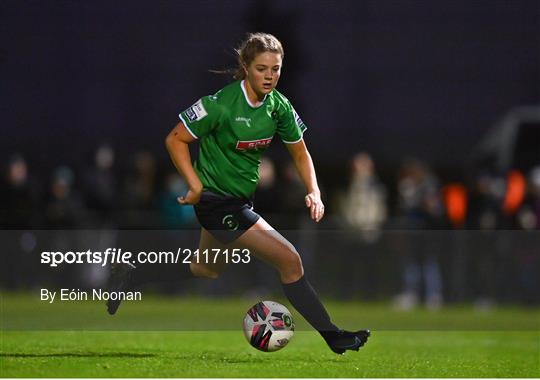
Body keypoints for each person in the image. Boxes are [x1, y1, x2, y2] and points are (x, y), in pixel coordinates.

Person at [106, 32, 369, 354]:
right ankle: (335, 336)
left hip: (239, 201)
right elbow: (175, 139)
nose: (270, 76)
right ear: (245, 66)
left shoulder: (279, 106)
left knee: (207, 268)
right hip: (217, 204)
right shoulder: (220, 104)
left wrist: (313, 191)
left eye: (276, 69)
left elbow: (300, 153)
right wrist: (195, 184)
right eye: (262, 68)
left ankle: (132, 276)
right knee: (290, 260)